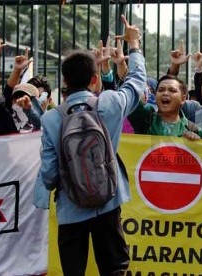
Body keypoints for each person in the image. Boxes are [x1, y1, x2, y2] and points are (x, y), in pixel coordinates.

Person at [34, 15, 146, 275]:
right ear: (95, 79)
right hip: (108, 199)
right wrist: (135, 45)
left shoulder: (52, 118)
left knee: (74, 270)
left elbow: (49, 172)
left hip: (71, 206)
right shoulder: (109, 103)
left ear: (64, 81)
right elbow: (137, 82)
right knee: (115, 268)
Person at [0, 33, 43, 135]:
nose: (20, 101)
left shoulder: (42, 125)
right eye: (16, 97)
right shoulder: (6, 119)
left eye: (26, 98)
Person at [128, 74, 202, 140]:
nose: (165, 93)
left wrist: (194, 143)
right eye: (161, 90)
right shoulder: (145, 119)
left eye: (172, 90)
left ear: (183, 99)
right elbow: (132, 99)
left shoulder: (194, 130)